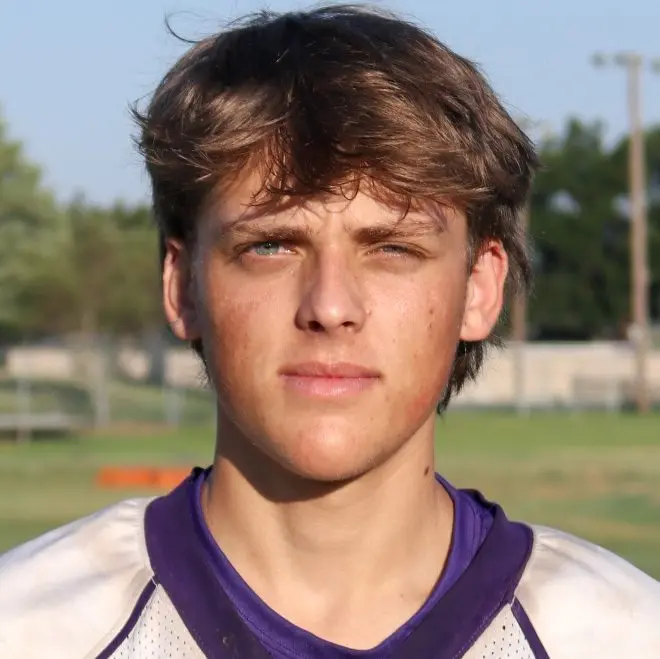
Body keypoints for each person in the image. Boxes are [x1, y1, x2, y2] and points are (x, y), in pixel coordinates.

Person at [1, 5, 659, 658]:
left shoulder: (619, 633)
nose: (330, 305)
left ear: (480, 288)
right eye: (270, 246)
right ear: (183, 285)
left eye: (393, 248)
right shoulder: (31, 627)